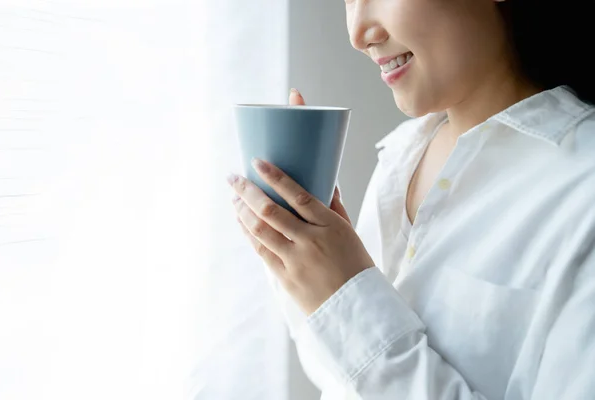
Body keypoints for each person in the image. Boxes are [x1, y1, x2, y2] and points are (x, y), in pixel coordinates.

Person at [227, 0, 595, 398]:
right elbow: (339, 376)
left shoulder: (580, 191)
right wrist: (297, 252)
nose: (357, 33)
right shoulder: (402, 155)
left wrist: (345, 296)